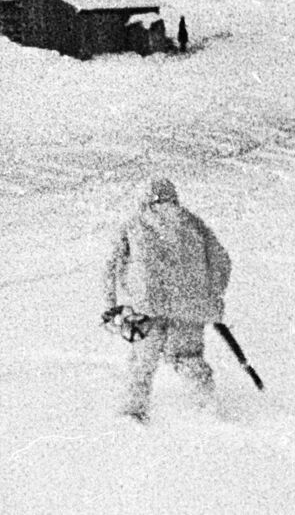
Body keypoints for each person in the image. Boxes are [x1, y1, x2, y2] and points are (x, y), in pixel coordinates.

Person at [101, 177, 232, 423]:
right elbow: (222, 261)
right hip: (190, 307)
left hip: (146, 306)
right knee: (188, 357)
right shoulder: (194, 223)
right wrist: (210, 294)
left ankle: (134, 412)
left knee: (142, 360)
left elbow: (110, 267)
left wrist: (110, 306)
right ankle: (208, 407)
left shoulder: (134, 224)